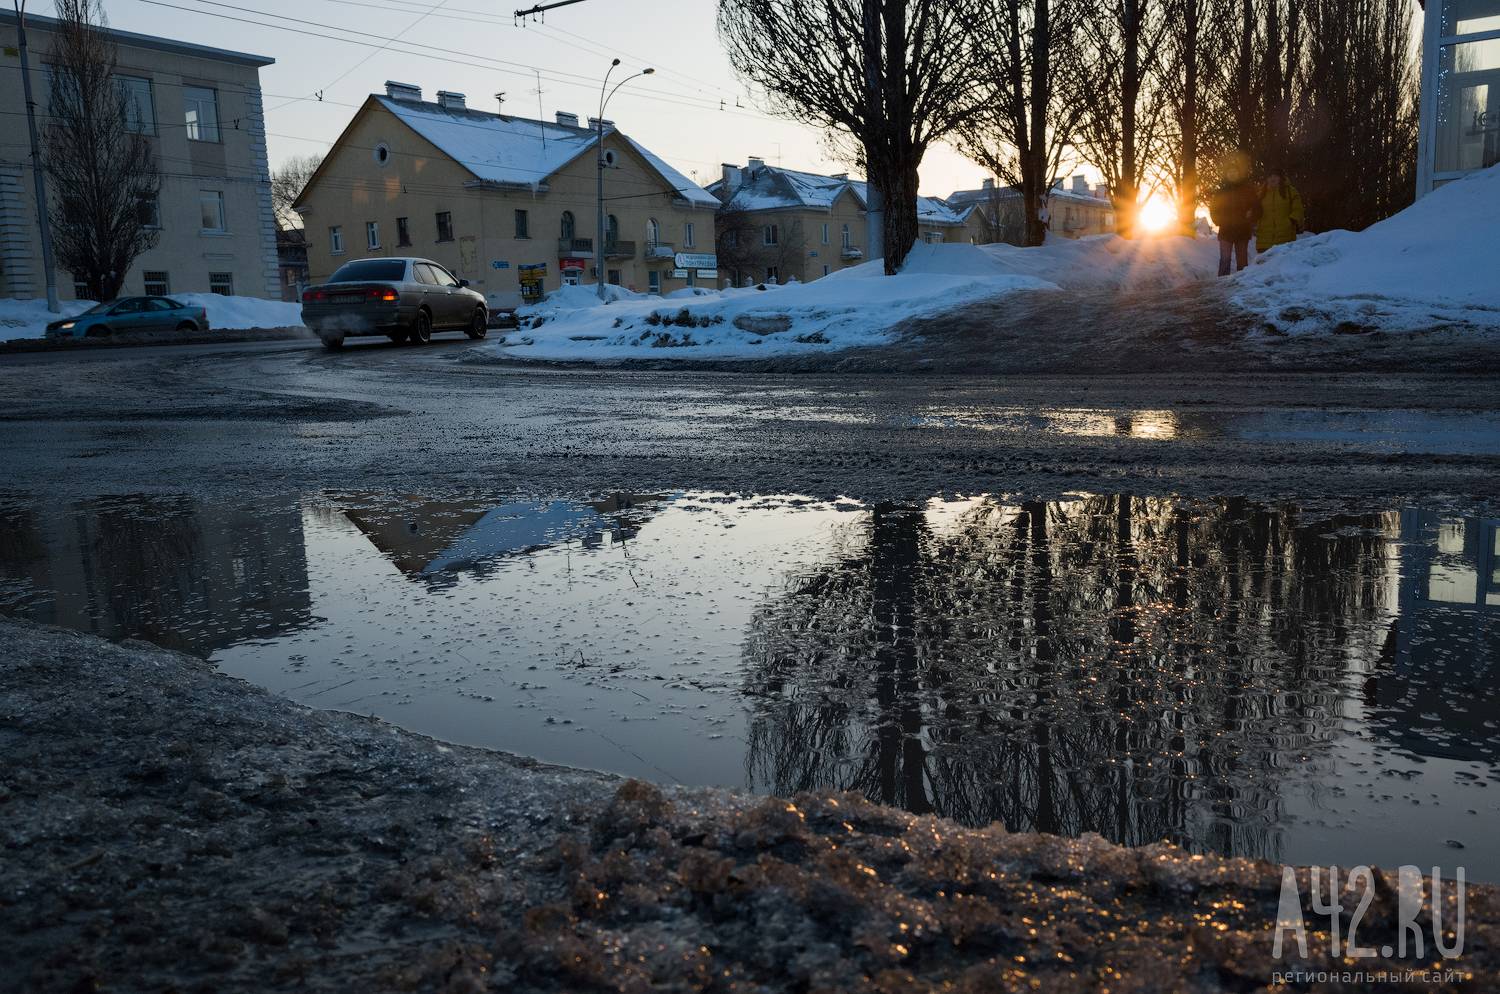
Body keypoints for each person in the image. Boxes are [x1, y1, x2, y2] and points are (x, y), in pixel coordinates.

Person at [1209, 160, 1262, 276]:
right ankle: (1222, 286)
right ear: (1226, 174)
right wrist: (1218, 221)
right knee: (1225, 260)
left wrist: (1250, 219)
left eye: (1235, 171)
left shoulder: (1248, 190)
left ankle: (1242, 286)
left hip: (1242, 230)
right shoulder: (1221, 191)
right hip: (1225, 230)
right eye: (1229, 172)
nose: (1232, 174)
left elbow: (1257, 207)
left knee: (1242, 261)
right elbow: (1213, 208)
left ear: (1239, 174)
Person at [1255, 167, 1305, 253]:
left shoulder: (1291, 191)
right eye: (1270, 177)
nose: (1272, 179)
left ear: (1281, 178)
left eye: (1275, 176)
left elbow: (1298, 210)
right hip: (1264, 240)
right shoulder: (1261, 194)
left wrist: (1290, 221)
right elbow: (1256, 212)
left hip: (1285, 238)